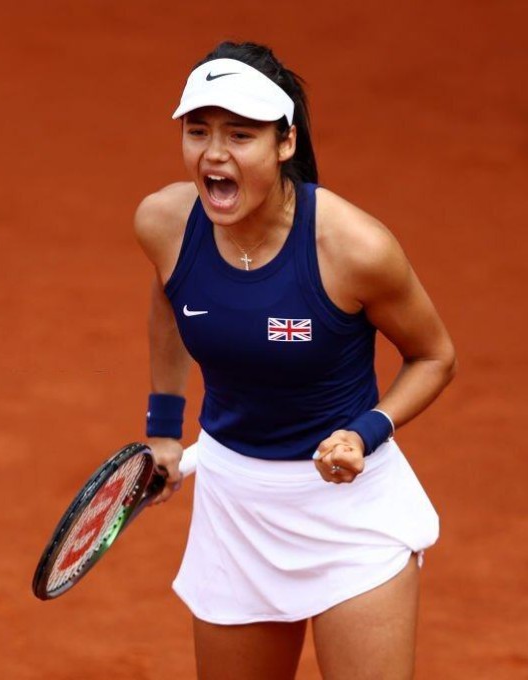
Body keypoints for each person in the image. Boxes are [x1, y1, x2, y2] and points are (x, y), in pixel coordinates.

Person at [134, 42, 456, 680]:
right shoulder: (164, 221)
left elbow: (434, 356)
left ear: (285, 144)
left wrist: (366, 431)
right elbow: (171, 301)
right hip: (236, 510)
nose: (215, 153)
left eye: (240, 135)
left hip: (348, 512)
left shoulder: (353, 247)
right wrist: (164, 430)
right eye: (198, 131)